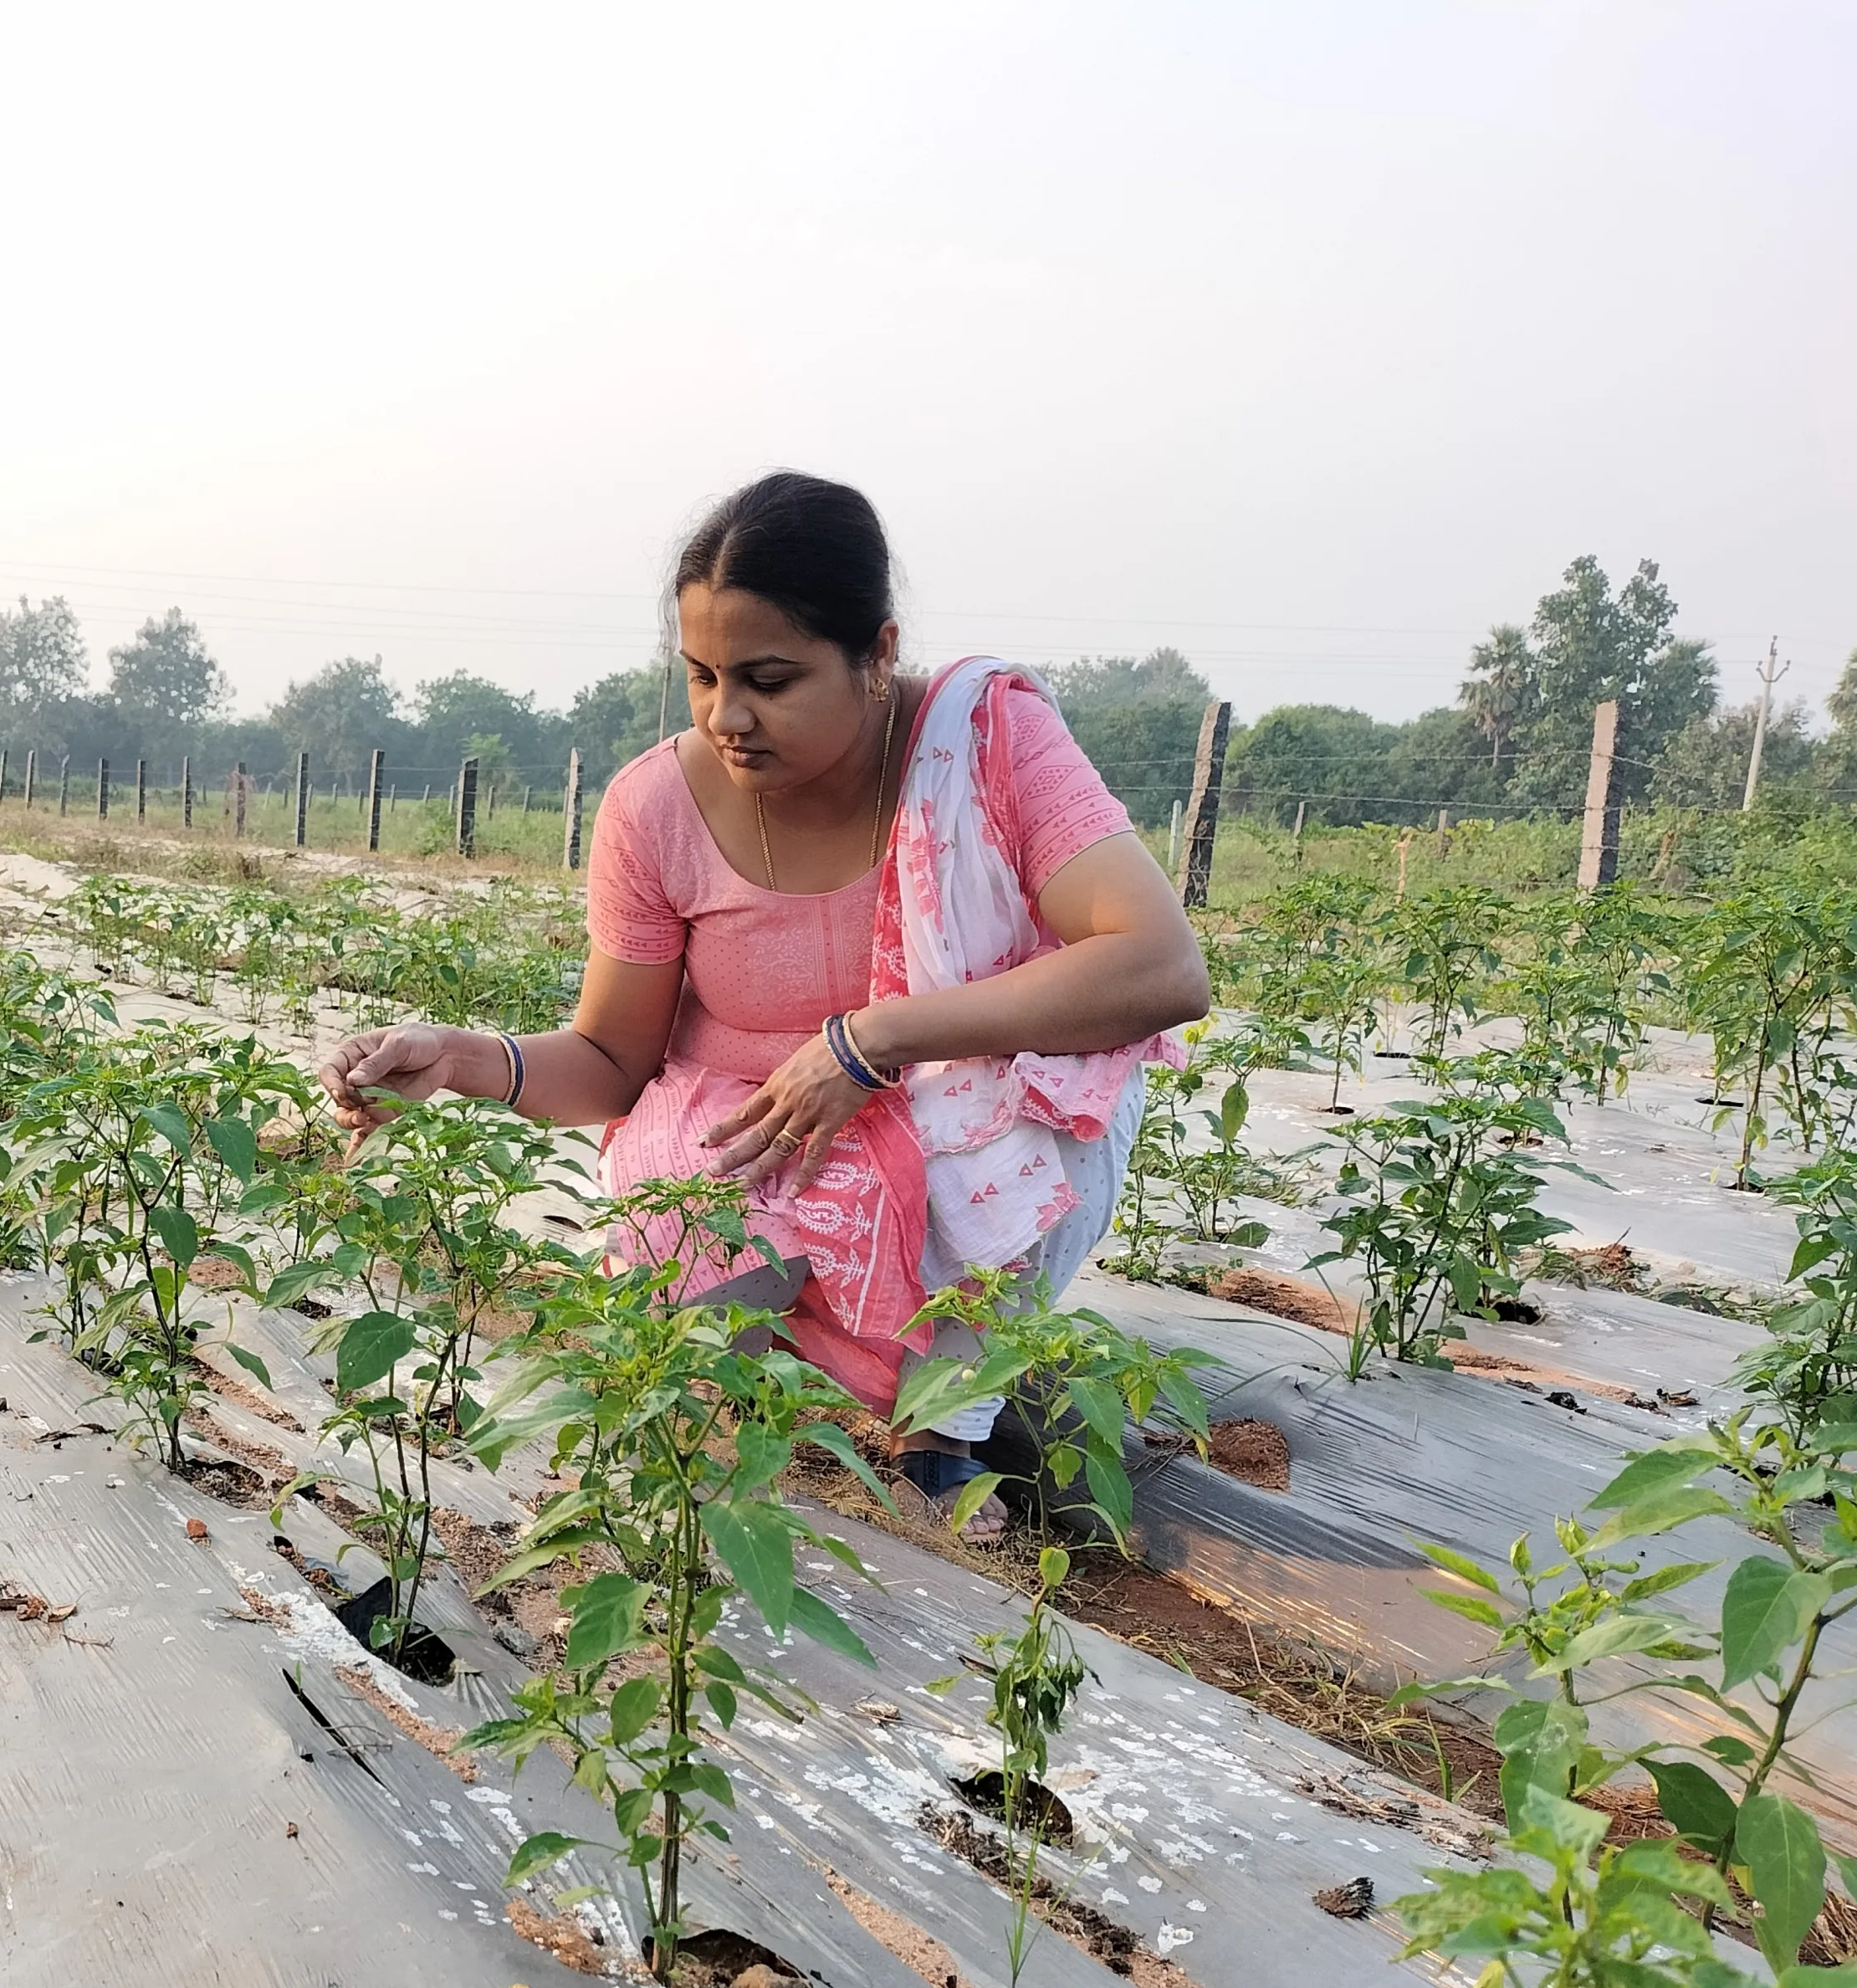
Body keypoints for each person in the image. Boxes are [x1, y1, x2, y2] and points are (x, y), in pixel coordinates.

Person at [319, 470, 1209, 1525]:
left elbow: (1161, 968)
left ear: (875, 654)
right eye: (701, 675)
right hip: (747, 1138)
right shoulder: (655, 808)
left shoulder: (982, 745)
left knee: (1039, 1109)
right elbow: (611, 1063)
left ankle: (941, 1433)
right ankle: (722, 1417)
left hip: (932, 1111)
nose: (726, 716)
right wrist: (460, 1058)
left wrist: (870, 1040)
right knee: (691, 1263)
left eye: (770, 679)